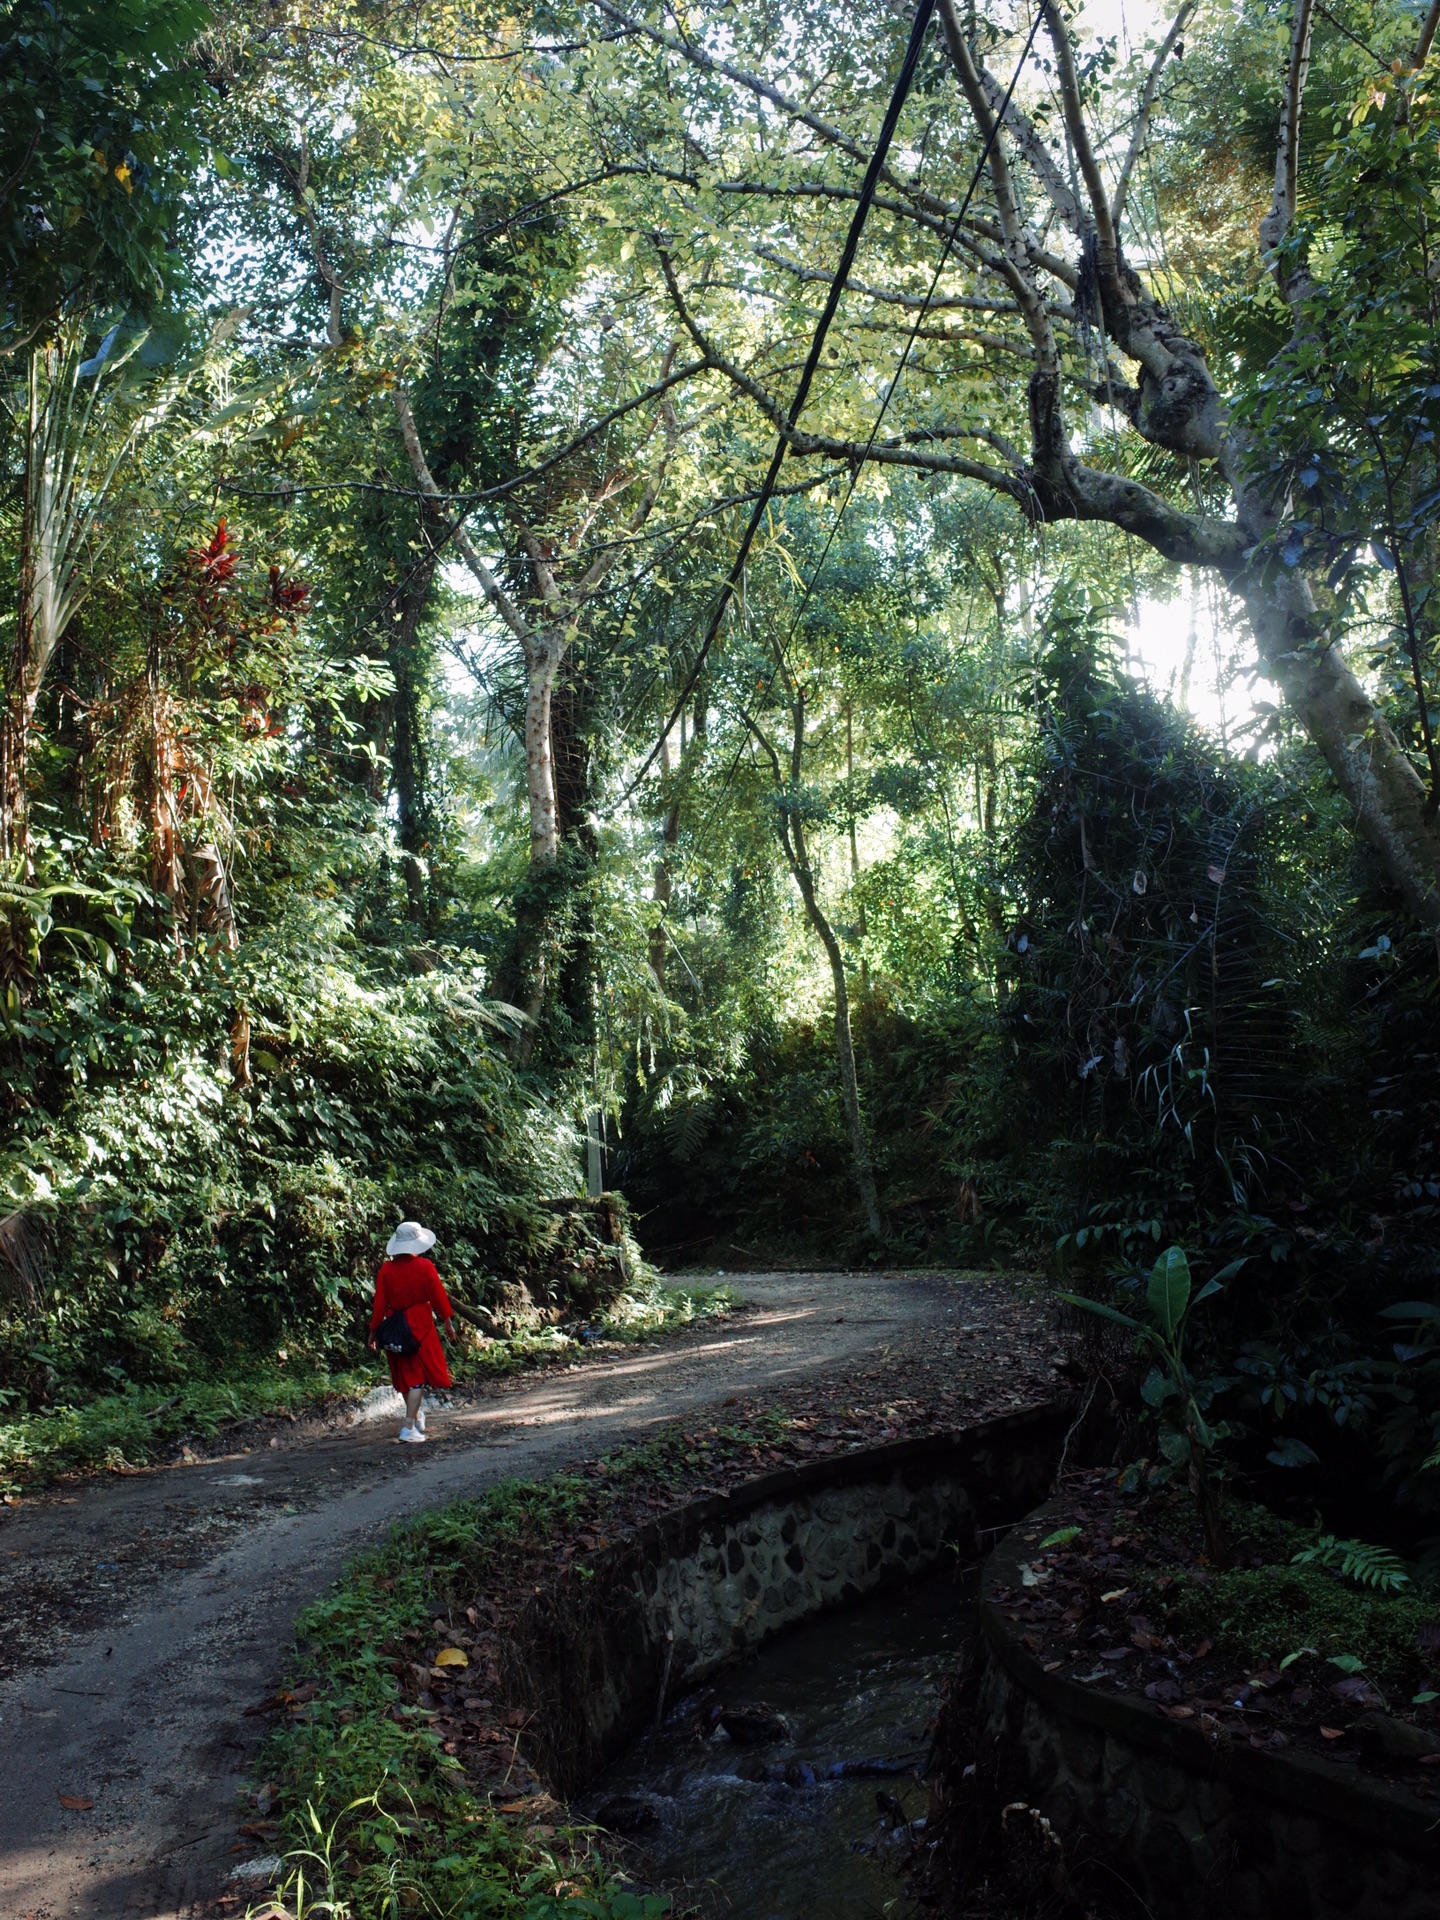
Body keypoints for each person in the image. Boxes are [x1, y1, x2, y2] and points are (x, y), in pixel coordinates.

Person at [368, 1221, 454, 1443]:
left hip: (395, 1325)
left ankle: (415, 1416)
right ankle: (408, 1427)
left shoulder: (386, 1269)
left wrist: (373, 1330)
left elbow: (379, 1303)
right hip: (419, 1325)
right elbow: (438, 1296)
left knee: (405, 1374)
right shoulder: (425, 1267)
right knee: (417, 1379)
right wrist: (447, 1320)